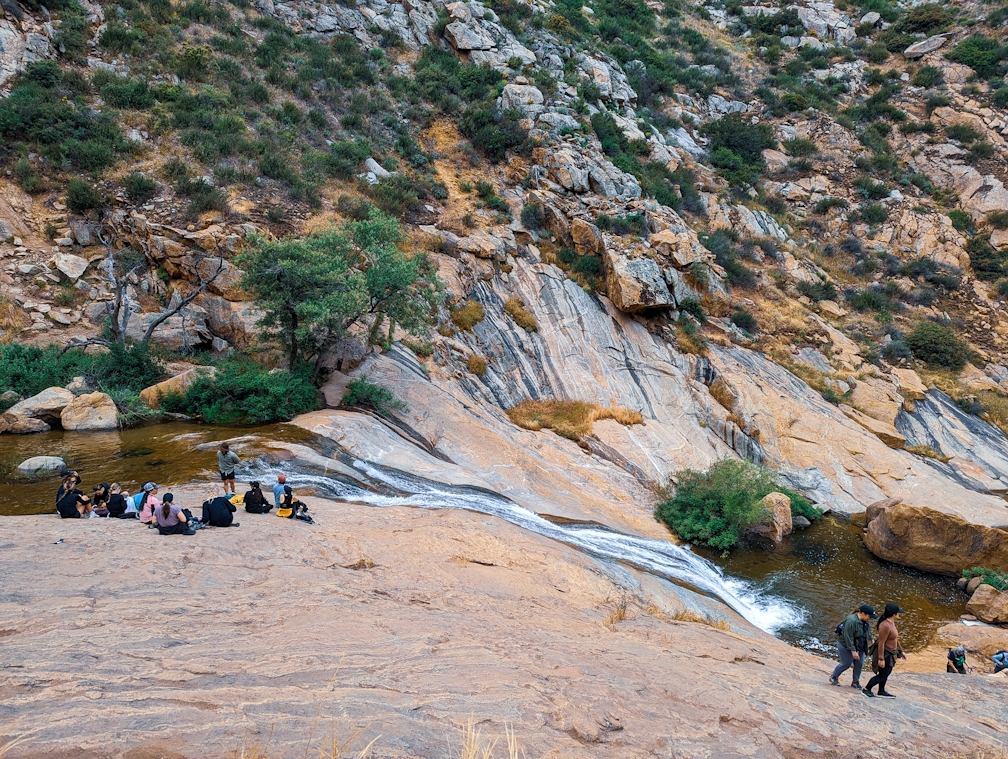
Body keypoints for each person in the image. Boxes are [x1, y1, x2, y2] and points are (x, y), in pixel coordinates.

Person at [863, 603, 906, 698]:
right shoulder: (885, 625)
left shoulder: (891, 622)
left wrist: (901, 651)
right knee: (882, 675)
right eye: (898, 613)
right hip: (885, 653)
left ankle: (881, 690)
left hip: (891, 653)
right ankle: (867, 689)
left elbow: (895, 639)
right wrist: (881, 659)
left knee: (886, 673)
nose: (899, 614)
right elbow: (881, 643)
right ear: (894, 614)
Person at [830, 604, 876, 689]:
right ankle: (834, 676)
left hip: (859, 644)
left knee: (859, 663)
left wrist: (871, 639)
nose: (870, 619)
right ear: (863, 613)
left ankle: (855, 682)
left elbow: (867, 630)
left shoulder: (865, 621)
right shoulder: (851, 621)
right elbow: (848, 637)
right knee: (846, 663)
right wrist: (853, 651)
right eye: (870, 616)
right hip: (846, 645)